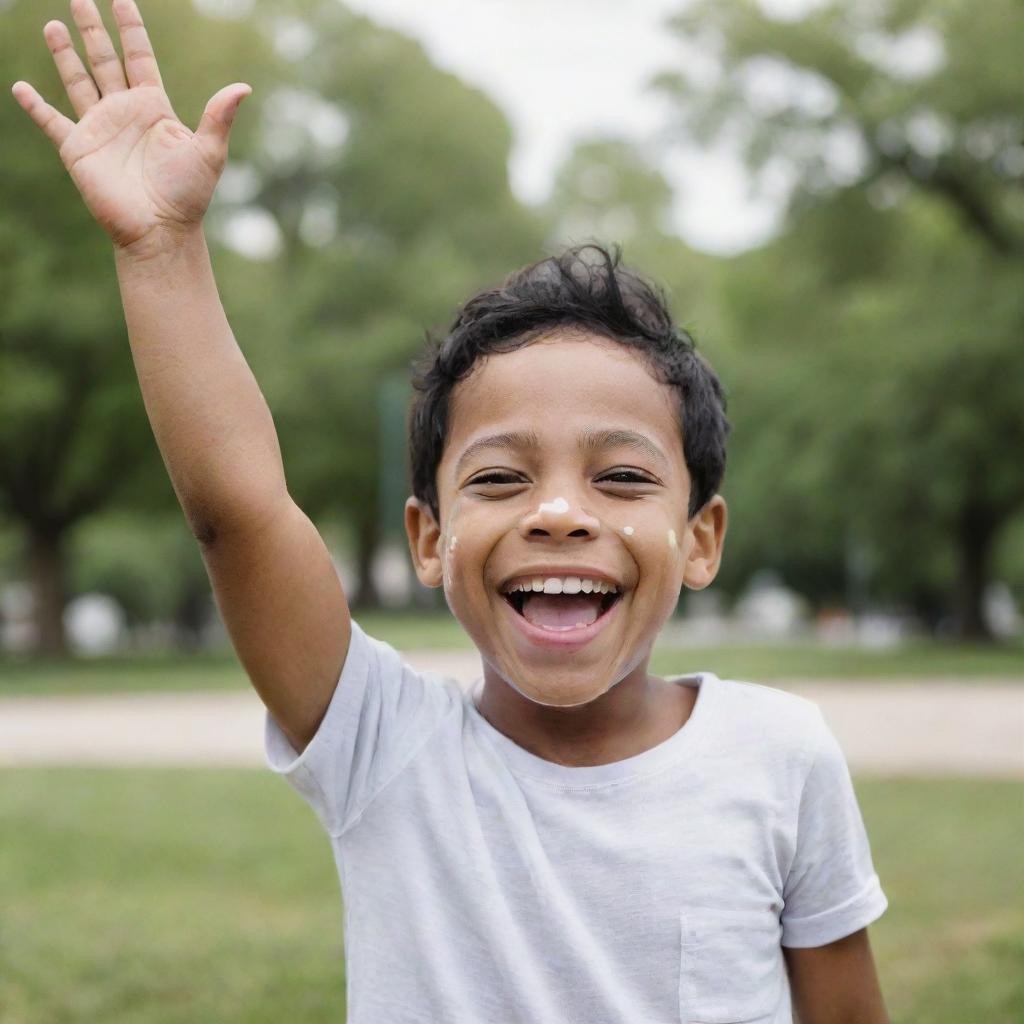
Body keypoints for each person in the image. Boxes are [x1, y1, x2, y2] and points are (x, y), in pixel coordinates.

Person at [12, 2, 891, 1021]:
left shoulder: (781, 752)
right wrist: (163, 252)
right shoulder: (381, 745)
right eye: (501, 478)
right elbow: (238, 512)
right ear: (427, 538)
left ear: (702, 539)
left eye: (619, 476)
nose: (559, 510)